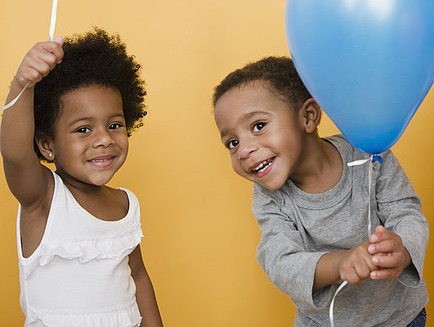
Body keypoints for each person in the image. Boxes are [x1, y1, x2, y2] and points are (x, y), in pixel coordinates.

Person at [213, 56, 428, 327]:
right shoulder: (270, 197)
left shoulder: (369, 153)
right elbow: (279, 261)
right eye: (232, 142)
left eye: (258, 126)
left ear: (308, 116)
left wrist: (403, 249)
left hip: (399, 318)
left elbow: (406, 212)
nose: (244, 150)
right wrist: (340, 263)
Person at [1, 28, 164, 327]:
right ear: (47, 145)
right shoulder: (44, 198)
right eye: (83, 129)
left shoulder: (125, 203)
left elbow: (137, 275)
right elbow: (14, 155)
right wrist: (23, 84)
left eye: (114, 125)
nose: (104, 139)